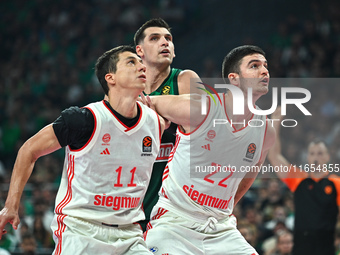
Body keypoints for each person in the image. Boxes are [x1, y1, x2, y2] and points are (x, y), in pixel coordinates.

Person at [0, 45, 166, 255]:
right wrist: (11, 205)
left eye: (141, 62)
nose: (141, 66)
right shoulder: (84, 119)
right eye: (131, 62)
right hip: (82, 231)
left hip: (130, 235)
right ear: (110, 78)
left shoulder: (155, 122)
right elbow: (28, 150)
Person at [142, 45, 275, 254]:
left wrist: (226, 204)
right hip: (175, 223)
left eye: (265, 66)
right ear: (234, 79)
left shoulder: (266, 129)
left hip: (221, 228)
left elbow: (251, 173)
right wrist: (156, 121)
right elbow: (149, 102)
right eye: (254, 66)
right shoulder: (202, 108)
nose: (265, 71)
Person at [133, 18, 203, 231]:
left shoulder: (184, 79)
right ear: (140, 51)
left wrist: (152, 106)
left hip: (177, 204)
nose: (165, 42)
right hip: (135, 200)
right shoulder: (128, 89)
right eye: (155, 38)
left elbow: (204, 114)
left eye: (168, 39)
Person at [267, 107, 340, 255]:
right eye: (312, 153)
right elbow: (274, 156)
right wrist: (275, 122)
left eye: (320, 153)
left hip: (325, 248)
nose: (316, 157)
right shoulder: (298, 179)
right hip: (301, 248)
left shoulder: (336, 182)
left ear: (327, 157)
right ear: (307, 158)